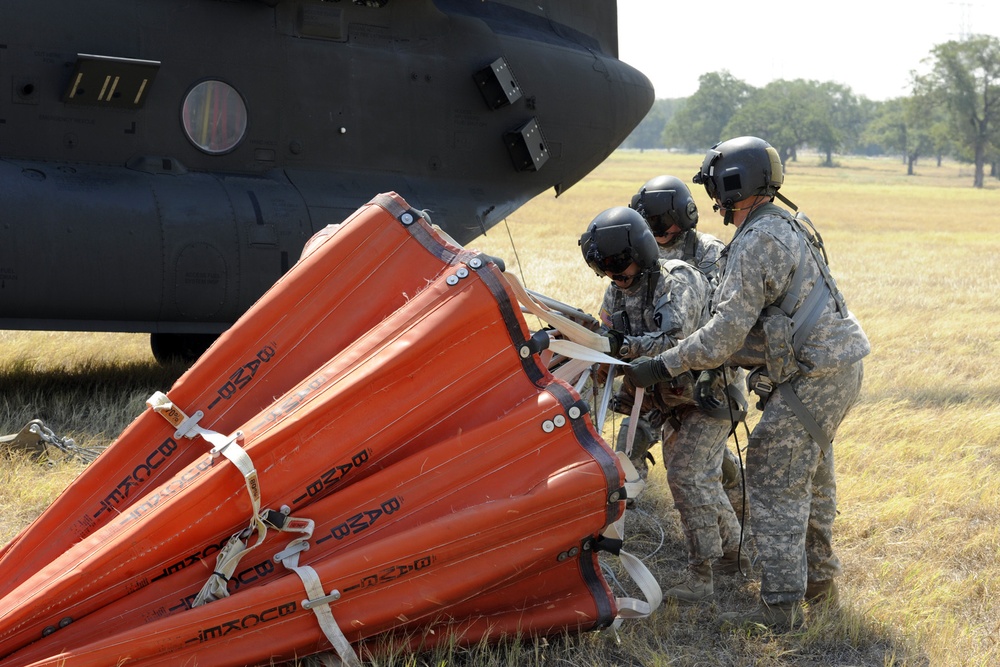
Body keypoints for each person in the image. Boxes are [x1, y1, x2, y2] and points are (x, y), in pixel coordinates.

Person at [624, 136, 870, 630]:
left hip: (813, 375)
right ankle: (821, 587)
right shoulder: (787, 223)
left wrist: (662, 364)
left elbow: (721, 338)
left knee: (774, 478)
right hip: (837, 368)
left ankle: (780, 608)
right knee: (812, 477)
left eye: (715, 185)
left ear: (732, 185)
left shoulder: (756, 240)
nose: (713, 197)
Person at [580, 206, 749, 603]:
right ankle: (735, 552)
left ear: (641, 251)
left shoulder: (679, 280)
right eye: (605, 270)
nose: (614, 277)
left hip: (707, 394)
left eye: (619, 268)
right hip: (665, 400)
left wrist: (620, 348)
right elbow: (611, 338)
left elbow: (676, 344)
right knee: (696, 475)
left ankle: (701, 574)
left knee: (688, 474)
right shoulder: (617, 290)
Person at [626, 176, 747, 519]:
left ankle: (741, 509)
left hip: (703, 378)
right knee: (630, 441)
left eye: (663, 222)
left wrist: (711, 372)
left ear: (685, 215)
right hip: (654, 375)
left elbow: (724, 321)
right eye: (650, 224)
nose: (659, 230)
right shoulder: (640, 255)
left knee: (706, 461)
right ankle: (626, 517)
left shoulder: (712, 254)